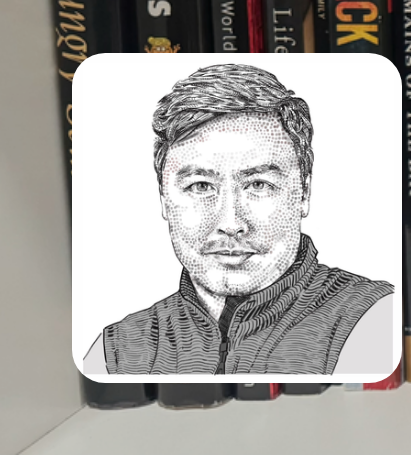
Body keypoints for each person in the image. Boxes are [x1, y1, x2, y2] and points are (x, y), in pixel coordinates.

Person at [82, 64, 393, 376]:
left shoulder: (374, 318)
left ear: (304, 193)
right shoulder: (115, 353)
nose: (231, 223)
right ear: (163, 197)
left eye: (258, 184)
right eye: (200, 186)